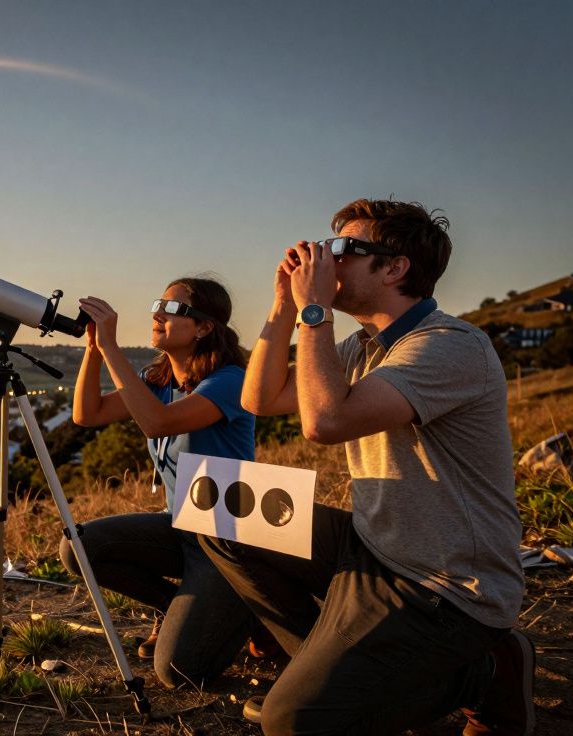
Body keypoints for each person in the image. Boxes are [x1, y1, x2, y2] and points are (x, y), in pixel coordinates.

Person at [202, 199, 531, 735]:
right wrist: (284, 307)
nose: (325, 261)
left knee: (292, 724)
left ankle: (484, 672)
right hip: (373, 544)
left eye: (342, 250)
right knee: (223, 513)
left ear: (395, 267)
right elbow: (258, 399)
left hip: (444, 585)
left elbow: (325, 423)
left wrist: (315, 311)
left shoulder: (450, 346)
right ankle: (330, 663)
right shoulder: (362, 345)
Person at [58, 276, 265, 688]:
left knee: (179, 671)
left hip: (230, 537)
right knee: (79, 546)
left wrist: (113, 348)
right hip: (182, 525)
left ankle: (248, 611)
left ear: (205, 327)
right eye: (159, 305)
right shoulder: (158, 380)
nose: (157, 314)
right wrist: (95, 351)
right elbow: (88, 414)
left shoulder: (229, 381)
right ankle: (179, 610)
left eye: (172, 309)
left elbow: (157, 424)